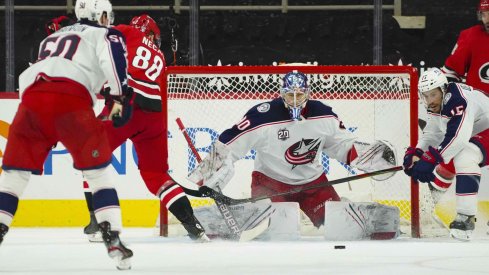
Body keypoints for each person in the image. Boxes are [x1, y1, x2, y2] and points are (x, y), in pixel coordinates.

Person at [0, 0, 133, 270]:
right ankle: (113, 235)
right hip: (71, 101)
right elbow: (113, 60)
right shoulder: (105, 33)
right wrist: (120, 97)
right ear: (102, 14)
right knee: (97, 172)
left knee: (14, 176)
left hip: (32, 101)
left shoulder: (50, 37)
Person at [188, 71, 400, 239]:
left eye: (300, 95)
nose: (296, 100)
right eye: (291, 95)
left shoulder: (324, 115)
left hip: (313, 184)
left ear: (308, 94)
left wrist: (368, 156)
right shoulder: (263, 116)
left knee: (342, 226)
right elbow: (231, 142)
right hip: (271, 184)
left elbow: (341, 146)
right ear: (282, 94)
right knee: (276, 234)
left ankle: (370, 219)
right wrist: (208, 172)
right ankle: (234, 219)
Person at [80, 14, 209, 242]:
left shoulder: (128, 32)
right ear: (153, 35)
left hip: (126, 105)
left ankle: (100, 224)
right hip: (155, 118)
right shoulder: (160, 55)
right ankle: (195, 228)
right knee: (156, 175)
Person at [403, 67, 489, 241]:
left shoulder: (457, 100)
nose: (429, 100)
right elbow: (432, 133)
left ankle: (465, 217)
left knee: (465, 155)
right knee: (464, 155)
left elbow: (459, 138)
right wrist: (417, 152)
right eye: (425, 96)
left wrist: (431, 158)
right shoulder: (438, 103)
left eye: (433, 95)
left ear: (443, 89)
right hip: (484, 129)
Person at [442, 0, 489, 94]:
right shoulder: (471, 36)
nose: (487, 20)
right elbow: (450, 73)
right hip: (477, 106)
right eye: (484, 14)